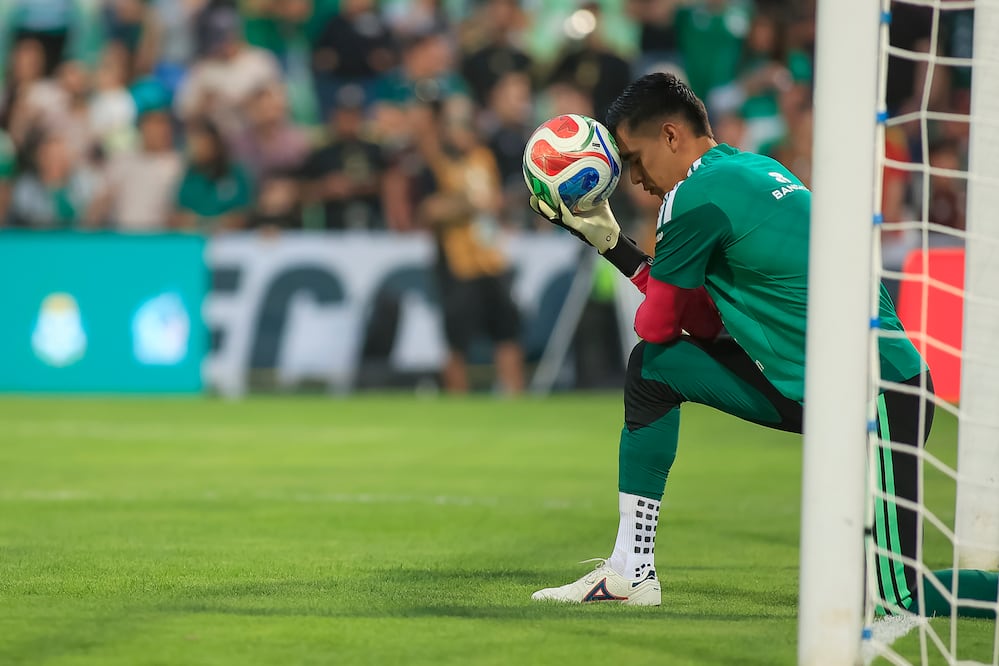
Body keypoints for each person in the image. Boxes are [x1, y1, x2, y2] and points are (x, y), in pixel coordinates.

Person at [528, 72, 998, 617]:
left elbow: (657, 324)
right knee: (655, 371)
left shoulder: (693, 196)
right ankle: (630, 571)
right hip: (823, 386)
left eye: (634, 160)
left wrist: (612, 246)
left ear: (672, 136)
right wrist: (615, 246)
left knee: (899, 599)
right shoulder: (754, 168)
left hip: (880, 392)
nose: (633, 180)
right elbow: (700, 323)